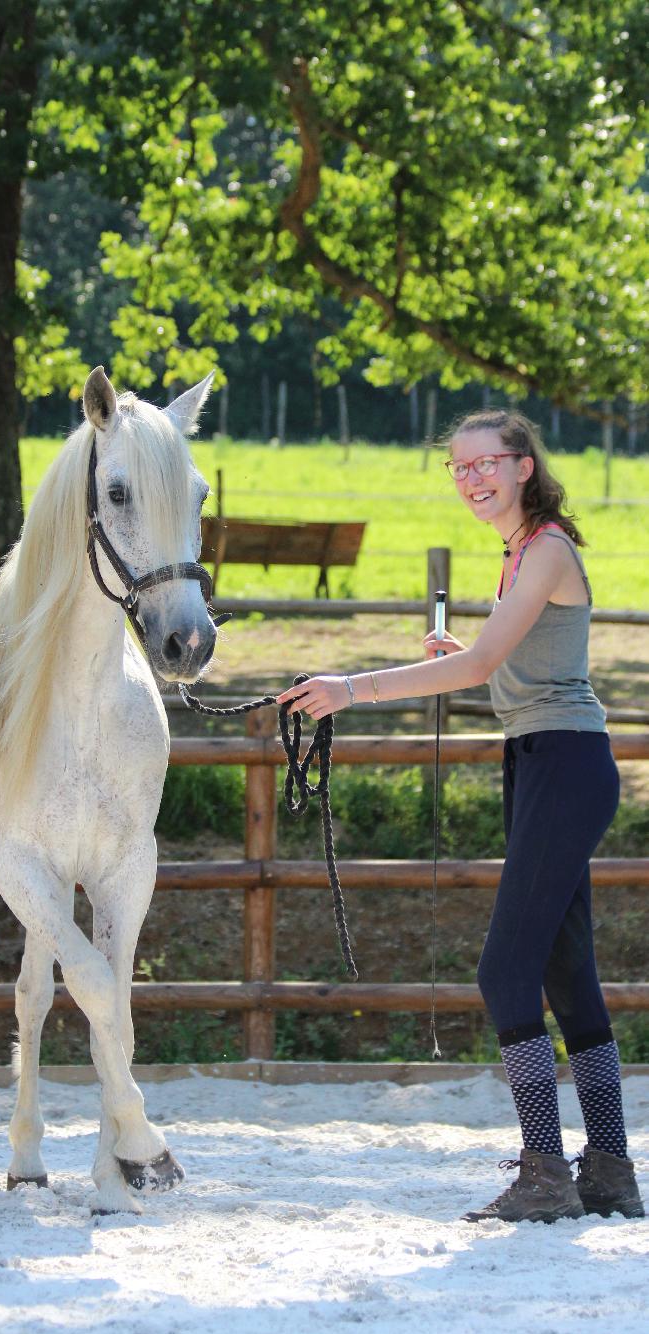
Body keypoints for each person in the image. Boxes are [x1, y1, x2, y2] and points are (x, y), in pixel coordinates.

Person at [276, 409, 644, 1224]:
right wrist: (465, 662)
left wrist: (350, 689)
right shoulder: (518, 553)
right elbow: (498, 670)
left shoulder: (545, 549)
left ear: (522, 466)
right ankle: (610, 1169)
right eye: (458, 468)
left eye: (485, 464)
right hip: (541, 764)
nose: (471, 478)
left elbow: (484, 662)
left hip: (567, 766)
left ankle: (547, 1172)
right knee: (564, 972)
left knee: (503, 971)